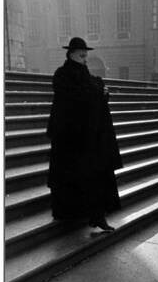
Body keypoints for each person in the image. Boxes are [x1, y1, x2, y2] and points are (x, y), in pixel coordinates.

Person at [46, 37, 123, 232]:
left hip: (85, 135)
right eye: (81, 54)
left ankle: (96, 215)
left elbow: (90, 92)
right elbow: (75, 97)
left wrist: (100, 91)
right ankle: (81, 214)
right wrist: (97, 90)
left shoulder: (84, 74)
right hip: (70, 136)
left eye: (86, 54)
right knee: (79, 175)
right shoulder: (62, 74)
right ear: (71, 54)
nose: (85, 57)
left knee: (92, 174)